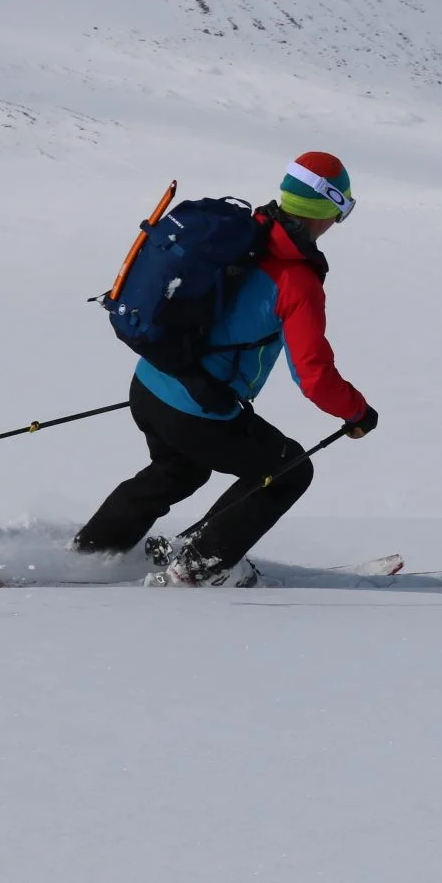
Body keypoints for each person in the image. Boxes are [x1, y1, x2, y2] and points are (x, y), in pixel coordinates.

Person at [73, 151, 378, 585]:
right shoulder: (297, 281)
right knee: (288, 468)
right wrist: (356, 412)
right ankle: (198, 569)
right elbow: (313, 375)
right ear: (327, 209)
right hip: (197, 408)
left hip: (150, 381)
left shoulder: (237, 234)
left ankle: (86, 555)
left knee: (178, 471)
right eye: (342, 207)